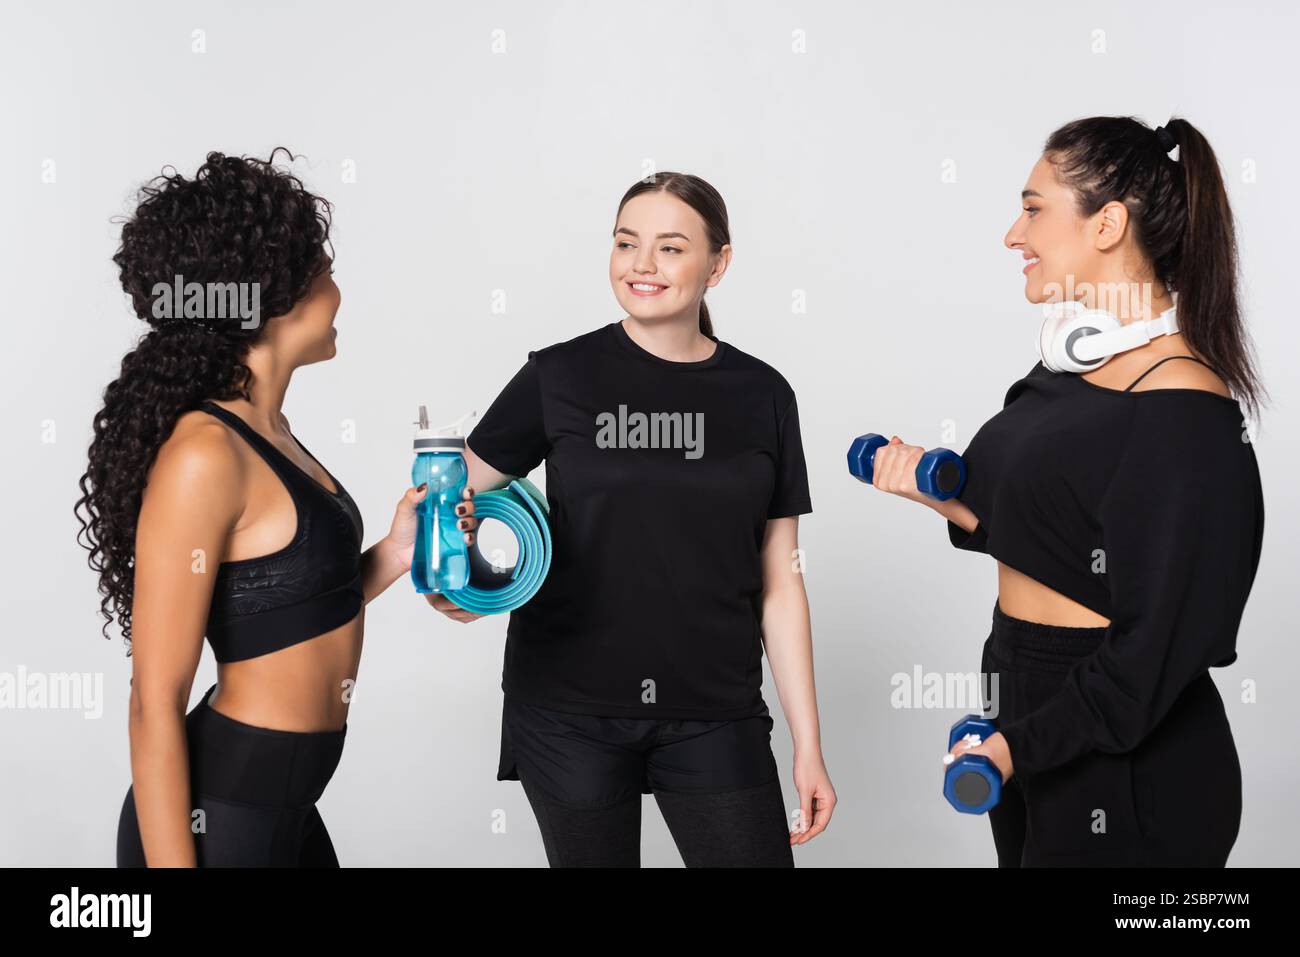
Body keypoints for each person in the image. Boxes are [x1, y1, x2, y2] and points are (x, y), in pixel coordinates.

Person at [867, 117, 1265, 866]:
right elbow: (1060, 533)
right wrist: (944, 495)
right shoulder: (1070, 374)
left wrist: (1018, 746)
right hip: (1025, 692)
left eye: (1034, 207)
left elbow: (1152, 651)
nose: (1014, 233)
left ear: (1109, 223)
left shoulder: (1183, 412)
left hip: (1122, 744)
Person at [76, 150, 473, 866]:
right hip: (218, 818)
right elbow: (153, 703)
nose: (339, 293)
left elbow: (290, 605)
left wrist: (396, 549)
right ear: (276, 296)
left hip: (288, 807)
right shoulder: (205, 453)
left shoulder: (271, 431)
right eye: (325, 274)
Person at [428, 171, 836, 867]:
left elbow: (781, 580)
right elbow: (444, 497)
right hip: (567, 708)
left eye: (671, 248)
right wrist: (459, 570)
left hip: (714, 708)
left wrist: (808, 743)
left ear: (718, 263)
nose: (643, 265)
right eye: (626, 243)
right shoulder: (558, 376)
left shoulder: (763, 393)